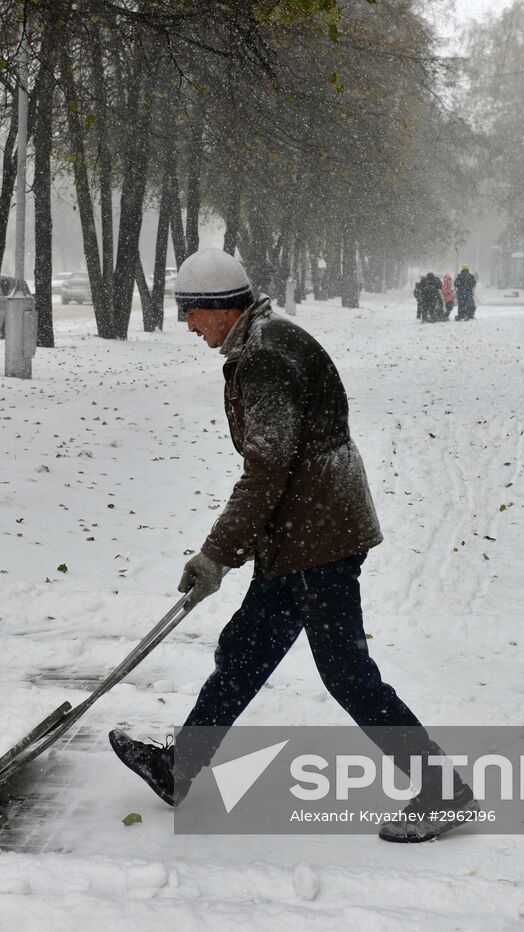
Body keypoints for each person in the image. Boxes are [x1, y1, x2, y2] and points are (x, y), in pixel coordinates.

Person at [109, 248, 475, 843]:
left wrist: (217, 554)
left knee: (347, 673)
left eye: (192, 313)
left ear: (222, 309)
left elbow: (267, 469)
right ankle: (180, 770)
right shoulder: (267, 340)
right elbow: (281, 465)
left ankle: (442, 787)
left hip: (317, 537)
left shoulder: (266, 359)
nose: (188, 325)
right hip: (307, 527)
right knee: (245, 652)